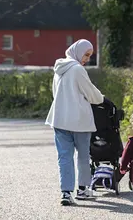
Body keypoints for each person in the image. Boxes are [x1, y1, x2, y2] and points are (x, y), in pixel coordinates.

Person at [45, 39, 104, 206]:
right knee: (83, 157)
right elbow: (92, 94)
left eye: (89, 56)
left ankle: (65, 192)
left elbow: (55, 94)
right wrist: (102, 99)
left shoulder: (59, 69)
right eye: (86, 54)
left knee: (64, 157)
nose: (87, 59)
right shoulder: (78, 70)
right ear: (78, 51)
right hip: (79, 121)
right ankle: (83, 189)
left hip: (60, 119)